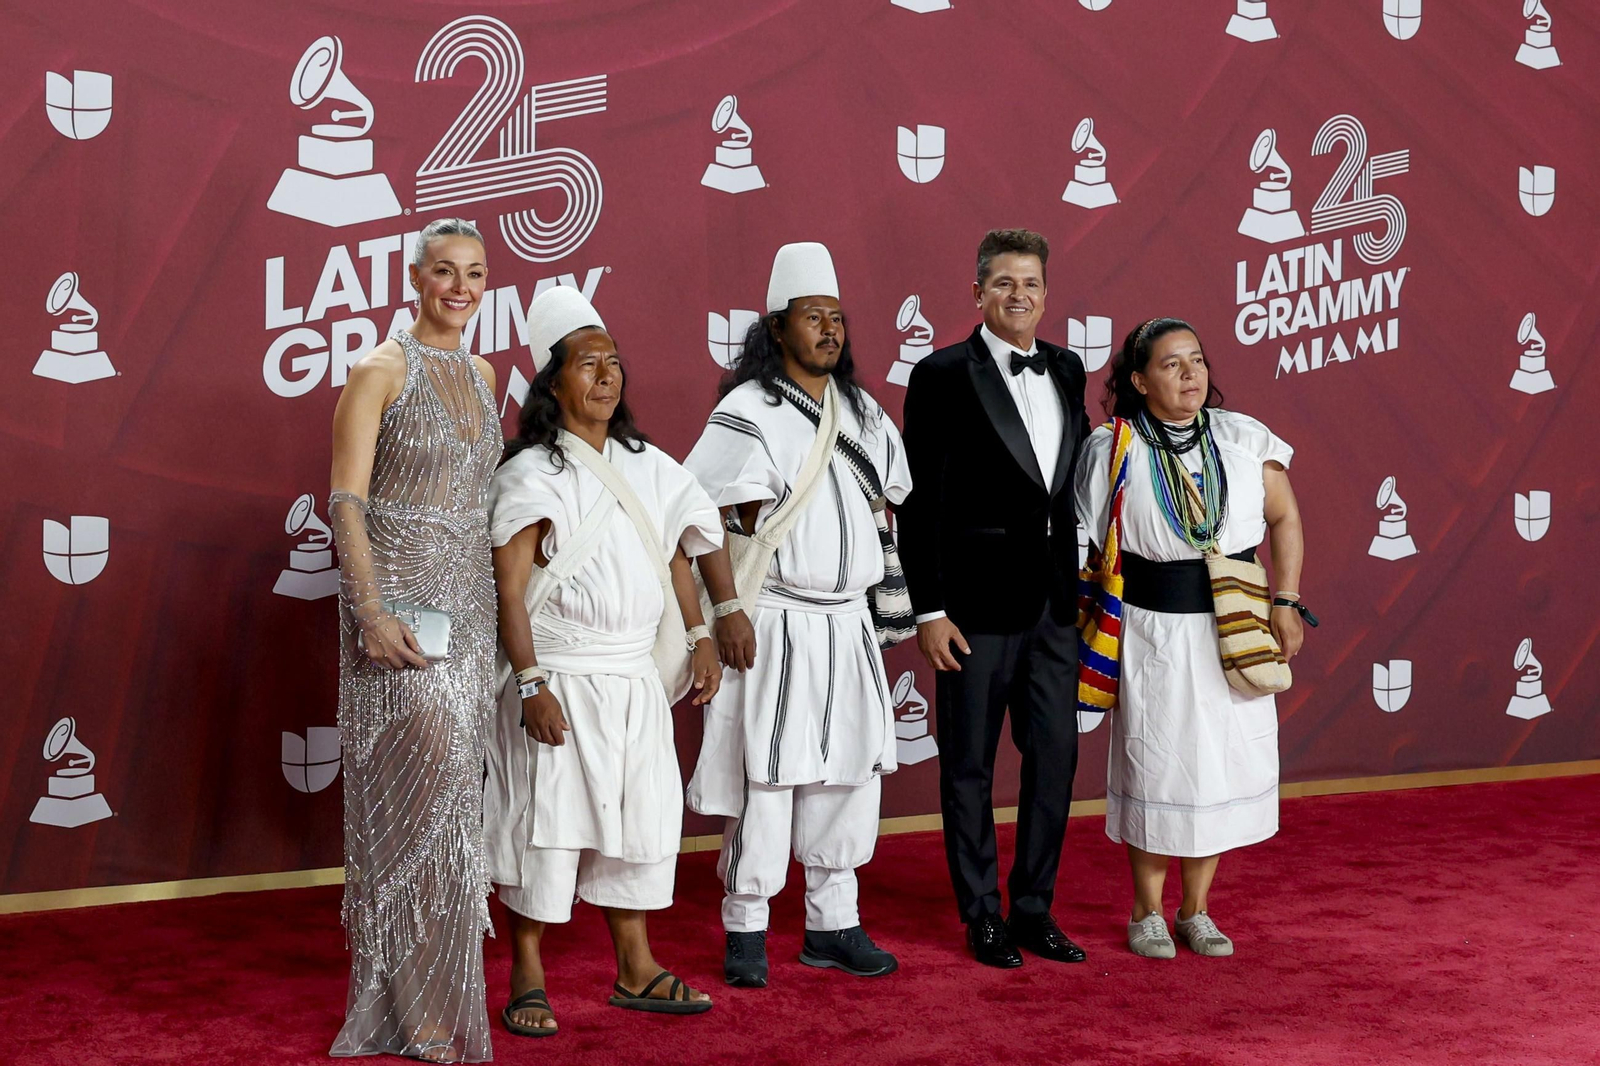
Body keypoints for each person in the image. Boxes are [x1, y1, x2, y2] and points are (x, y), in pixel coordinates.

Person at [485, 286, 722, 1036]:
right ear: (553, 383)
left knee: (642, 820)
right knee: (546, 824)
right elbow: (511, 592)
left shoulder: (649, 466)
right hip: (559, 675)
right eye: (588, 365)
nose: (607, 377)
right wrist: (530, 684)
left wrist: (700, 634)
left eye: (613, 363)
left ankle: (636, 967)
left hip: (633, 679)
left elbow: (673, 556)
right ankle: (528, 974)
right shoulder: (529, 475)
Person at [684, 242, 908, 988]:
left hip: (848, 622)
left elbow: (890, 503)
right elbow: (705, 519)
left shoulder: (867, 413)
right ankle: (746, 927)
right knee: (771, 773)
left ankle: (832, 923)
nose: (830, 330)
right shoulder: (746, 409)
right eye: (813, 318)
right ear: (777, 329)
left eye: (837, 318)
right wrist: (726, 611)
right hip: (774, 617)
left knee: (847, 769)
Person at [1073, 317, 1310, 959]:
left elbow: (1284, 517)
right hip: (1155, 633)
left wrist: (1285, 602)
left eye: (1198, 360)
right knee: (1159, 764)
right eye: (1172, 364)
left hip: (1236, 625)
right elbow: (1092, 546)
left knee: (1218, 767)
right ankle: (1146, 911)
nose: (1190, 374)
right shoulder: (1111, 448)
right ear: (1139, 380)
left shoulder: (1242, 437)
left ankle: (1196, 911)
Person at [327, 219, 500, 1062]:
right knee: (415, 817)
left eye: (474, 273)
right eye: (444, 272)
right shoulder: (378, 372)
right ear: (414, 279)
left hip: (470, 624)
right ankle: (406, 1005)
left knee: (457, 816)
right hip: (398, 620)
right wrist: (370, 613)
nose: (460, 287)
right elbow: (347, 504)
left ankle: (435, 994)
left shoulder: (485, 372)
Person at [897, 228, 1090, 969]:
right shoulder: (942, 373)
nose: (1020, 296)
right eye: (1004, 283)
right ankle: (982, 916)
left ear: (1046, 292)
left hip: (1052, 607)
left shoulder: (1068, 369)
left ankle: (1034, 908)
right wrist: (929, 608)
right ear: (977, 292)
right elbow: (919, 504)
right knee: (969, 767)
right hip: (972, 609)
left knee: (1056, 761)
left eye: (1032, 283)